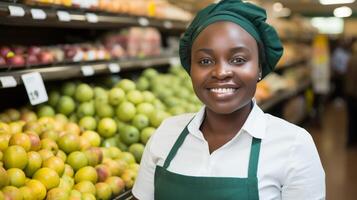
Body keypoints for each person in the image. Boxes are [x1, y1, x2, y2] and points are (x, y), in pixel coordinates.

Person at [132, 0, 325, 199]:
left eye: (238, 60)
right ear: (191, 69)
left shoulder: (293, 145)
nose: (221, 72)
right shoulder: (166, 134)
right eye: (205, 61)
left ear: (259, 67)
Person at [344, 40, 357, 148]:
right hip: (354, 93)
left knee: (351, 119)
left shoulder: (350, 59)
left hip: (349, 93)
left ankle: (350, 141)